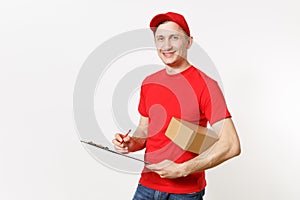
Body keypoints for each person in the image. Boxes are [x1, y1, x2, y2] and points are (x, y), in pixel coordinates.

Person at [112, 12, 241, 200]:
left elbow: (231, 145)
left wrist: (183, 169)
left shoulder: (206, 85)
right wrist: (131, 143)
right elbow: (144, 132)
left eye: (174, 38)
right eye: (160, 38)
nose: (167, 46)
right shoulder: (149, 83)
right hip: (146, 187)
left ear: (188, 42)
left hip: (185, 194)